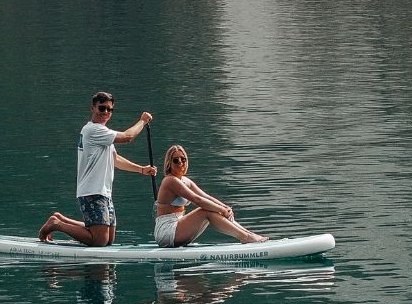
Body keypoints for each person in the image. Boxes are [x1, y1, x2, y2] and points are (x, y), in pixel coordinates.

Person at [38, 92, 156, 246]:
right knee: (99, 241)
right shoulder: (93, 130)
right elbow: (128, 137)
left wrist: (141, 169)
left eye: (109, 109)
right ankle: (56, 225)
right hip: (92, 191)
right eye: (102, 108)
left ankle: (60, 219)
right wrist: (142, 121)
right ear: (93, 108)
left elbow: (114, 159)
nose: (106, 112)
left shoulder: (103, 133)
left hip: (104, 192)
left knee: (108, 239)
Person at [153, 144, 267, 247]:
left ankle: (249, 234)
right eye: (176, 160)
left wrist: (226, 208)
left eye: (183, 159)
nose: (181, 163)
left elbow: (206, 197)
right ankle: (246, 238)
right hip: (166, 231)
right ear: (169, 163)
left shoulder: (185, 180)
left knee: (212, 207)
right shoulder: (170, 181)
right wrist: (221, 209)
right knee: (206, 210)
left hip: (177, 228)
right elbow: (197, 200)